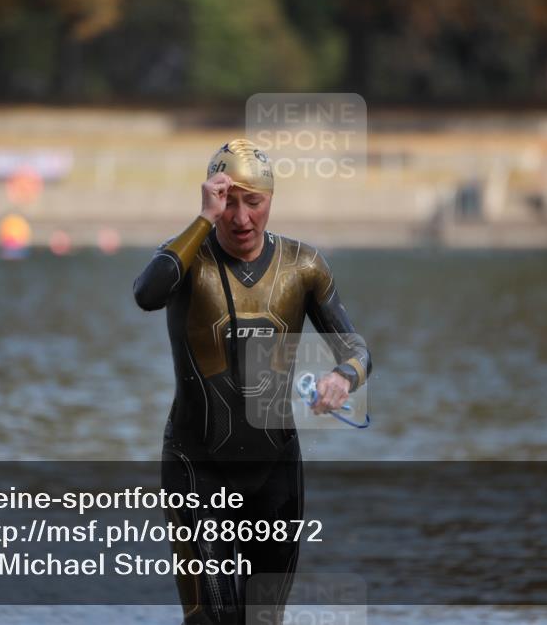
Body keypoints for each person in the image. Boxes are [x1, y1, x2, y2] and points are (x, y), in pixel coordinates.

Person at [133, 139, 371, 625]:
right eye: (229, 202)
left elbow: (358, 350)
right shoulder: (186, 261)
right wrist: (202, 219)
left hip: (275, 472)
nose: (241, 218)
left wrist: (342, 378)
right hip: (197, 468)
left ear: (270, 201)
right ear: (213, 201)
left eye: (253, 202)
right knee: (211, 619)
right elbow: (145, 293)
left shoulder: (303, 267)